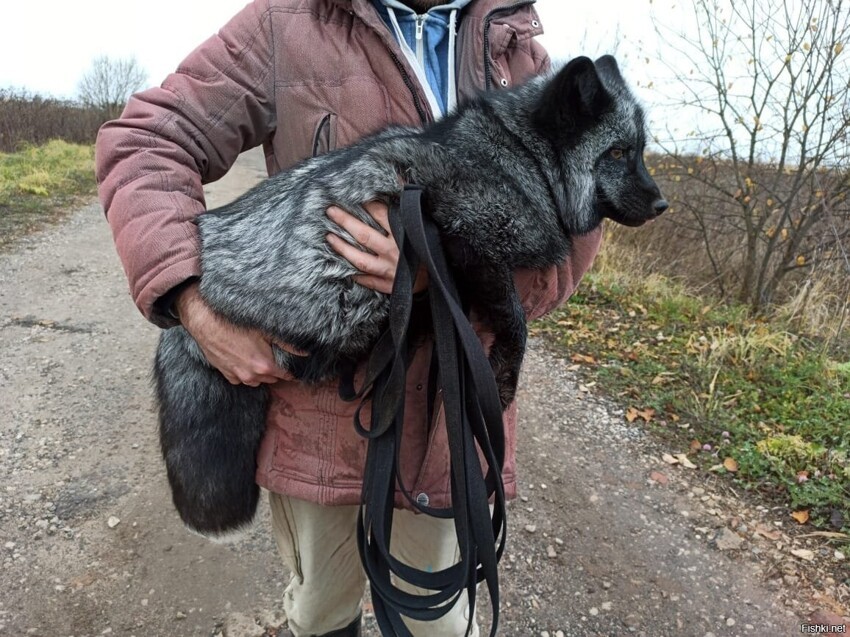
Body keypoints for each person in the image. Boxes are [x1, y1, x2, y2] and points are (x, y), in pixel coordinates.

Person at [95, 1, 603, 635]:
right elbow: (145, 139)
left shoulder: (517, 46)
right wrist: (191, 301)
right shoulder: (287, 21)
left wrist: (444, 274)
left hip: (451, 417)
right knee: (319, 612)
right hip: (319, 414)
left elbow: (572, 233)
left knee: (438, 622)